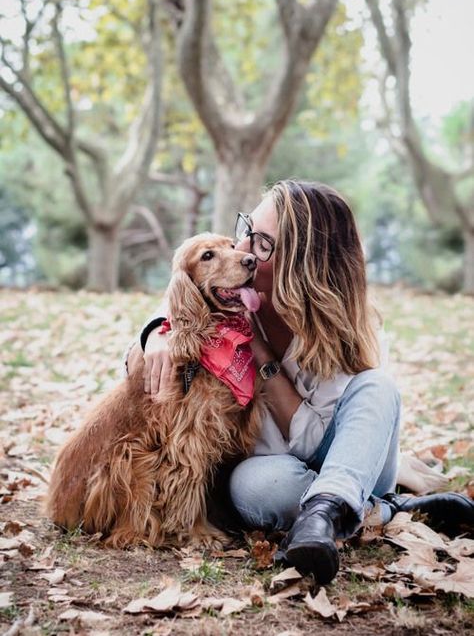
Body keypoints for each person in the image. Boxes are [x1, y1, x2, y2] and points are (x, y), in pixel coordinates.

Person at [127, 179, 473, 584]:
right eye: (246, 230)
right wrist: (154, 334)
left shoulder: (349, 332)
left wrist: (262, 356)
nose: (242, 252)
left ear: (301, 262)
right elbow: (169, 311)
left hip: (350, 460)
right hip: (281, 475)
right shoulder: (230, 297)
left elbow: (311, 444)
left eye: (261, 244)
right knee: (254, 487)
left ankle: (332, 509)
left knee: (378, 387)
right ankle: (378, 510)